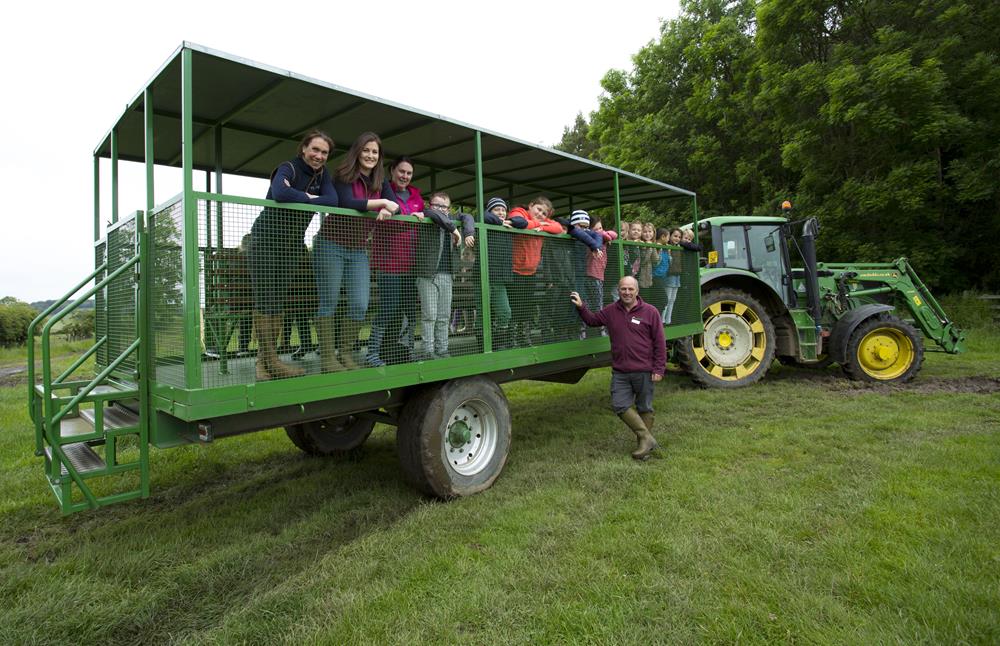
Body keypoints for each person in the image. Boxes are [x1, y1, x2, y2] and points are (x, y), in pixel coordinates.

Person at [249, 130, 339, 380]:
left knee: (277, 302)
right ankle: (267, 363)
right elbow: (280, 193)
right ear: (303, 149)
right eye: (315, 150)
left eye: (324, 152)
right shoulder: (287, 168)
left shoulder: (323, 175)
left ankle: (266, 362)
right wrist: (311, 198)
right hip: (265, 240)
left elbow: (332, 201)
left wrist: (305, 198)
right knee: (265, 301)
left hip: (291, 245)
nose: (319, 156)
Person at [312, 132, 399, 372]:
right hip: (331, 244)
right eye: (366, 150)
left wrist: (390, 209)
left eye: (375, 152)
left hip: (359, 249)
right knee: (328, 300)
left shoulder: (381, 182)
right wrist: (381, 204)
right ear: (357, 152)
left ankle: (346, 354)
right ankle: (328, 359)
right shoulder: (343, 175)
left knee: (360, 303)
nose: (370, 155)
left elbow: (397, 206)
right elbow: (346, 203)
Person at [570, 276, 664, 460]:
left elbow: (660, 343)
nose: (627, 292)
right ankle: (647, 438)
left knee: (645, 407)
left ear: (637, 291)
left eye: (630, 289)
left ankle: (643, 447)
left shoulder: (651, 312)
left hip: (644, 369)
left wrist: (659, 369)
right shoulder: (611, 311)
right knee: (620, 405)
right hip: (621, 371)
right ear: (619, 291)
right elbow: (592, 320)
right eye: (623, 289)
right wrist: (581, 307)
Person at [369, 157, 424, 366]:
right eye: (401, 171)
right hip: (388, 262)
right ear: (392, 171)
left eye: (409, 173)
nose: (405, 176)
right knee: (388, 308)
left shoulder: (417, 196)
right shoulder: (384, 191)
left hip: (410, 264)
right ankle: (373, 352)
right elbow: (379, 213)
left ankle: (405, 350)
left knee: (409, 309)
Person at [415, 192, 474, 359]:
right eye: (437, 205)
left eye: (444, 206)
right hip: (427, 275)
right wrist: (455, 231)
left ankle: (442, 349)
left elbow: (468, 216)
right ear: (430, 205)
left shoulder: (453, 218)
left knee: (444, 315)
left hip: (447, 275)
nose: (440, 209)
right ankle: (428, 351)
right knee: (429, 315)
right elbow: (433, 213)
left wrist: (468, 232)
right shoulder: (428, 215)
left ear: (449, 208)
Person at [508, 196, 563, 345]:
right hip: (514, 271)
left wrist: (543, 227)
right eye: (539, 209)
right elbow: (519, 222)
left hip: (531, 272)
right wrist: (539, 223)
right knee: (515, 306)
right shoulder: (519, 211)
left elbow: (558, 228)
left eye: (544, 214)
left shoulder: (543, 222)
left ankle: (524, 337)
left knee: (526, 307)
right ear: (531, 205)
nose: (540, 214)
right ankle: (511, 338)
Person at [482, 197, 526, 349]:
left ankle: (498, 345)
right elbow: (483, 216)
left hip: (499, 279)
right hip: (482, 277)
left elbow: (523, 223)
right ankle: (481, 348)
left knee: (504, 312)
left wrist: (509, 222)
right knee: (482, 315)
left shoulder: (509, 225)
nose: (501, 212)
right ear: (490, 210)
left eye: (503, 210)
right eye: (497, 209)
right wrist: (501, 222)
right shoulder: (485, 220)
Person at [663, 227, 683, 325]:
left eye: (679, 237)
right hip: (669, 275)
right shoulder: (667, 247)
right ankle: (662, 320)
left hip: (677, 276)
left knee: (672, 300)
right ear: (669, 236)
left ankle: (668, 320)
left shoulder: (679, 247)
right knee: (667, 299)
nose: (677, 238)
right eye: (675, 236)